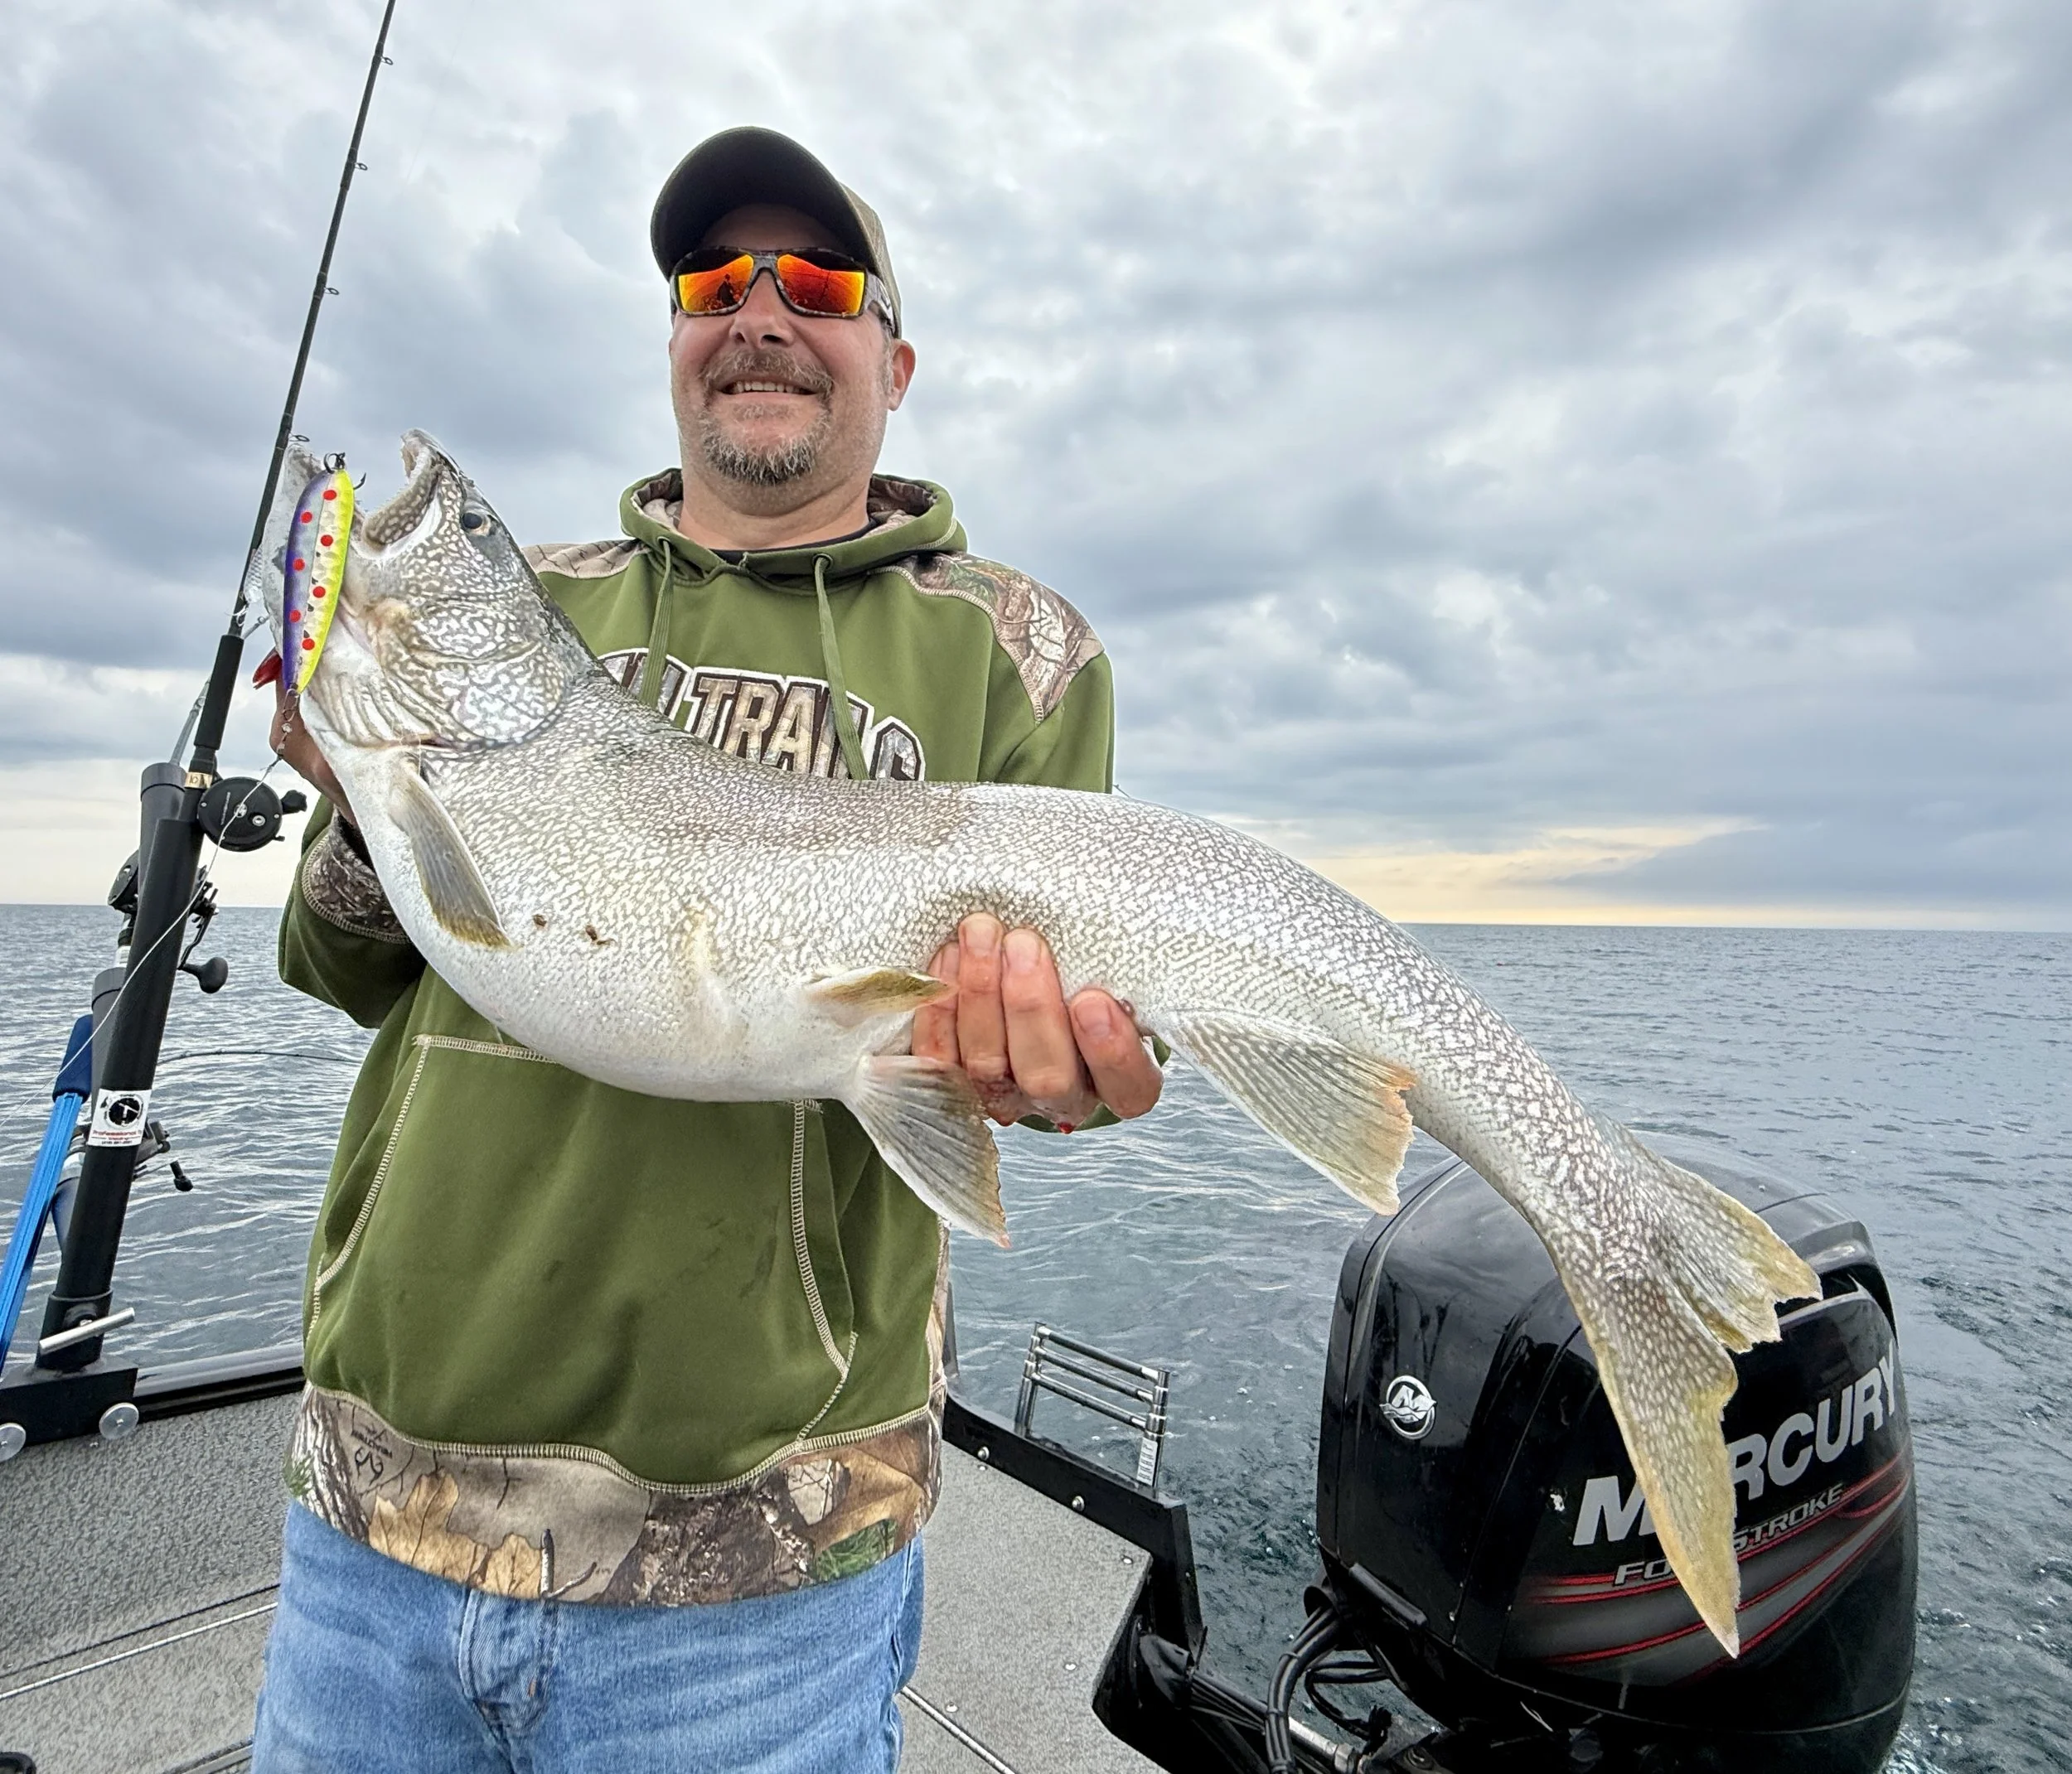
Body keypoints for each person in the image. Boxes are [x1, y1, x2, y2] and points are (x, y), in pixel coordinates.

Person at [251, 127, 1162, 1772]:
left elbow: (1042, 1057)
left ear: (891, 358)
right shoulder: (536, 603)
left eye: (811, 283)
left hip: (758, 1577)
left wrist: (1058, 1075)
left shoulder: (1015, 651)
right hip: (372, 1519)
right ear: (670, 341)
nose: (755, 311)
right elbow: (346, 966)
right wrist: (365, 793)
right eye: (709, 284)